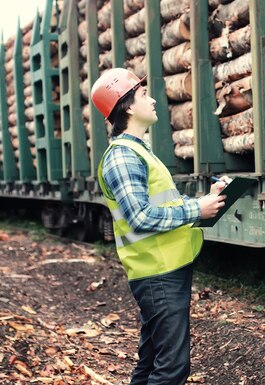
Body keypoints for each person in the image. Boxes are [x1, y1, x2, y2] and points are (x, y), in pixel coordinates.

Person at [91, 68, 227, 385]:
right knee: (172, 368)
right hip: (158, 273)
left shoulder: (138, 151)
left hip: (164, 270)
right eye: (143, 95)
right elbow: (140, 217)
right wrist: (196, 209)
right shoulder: (123, 157)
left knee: (151, 362)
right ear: (126, 107)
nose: (152, 100)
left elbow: (163, 202)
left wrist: (206, 200)